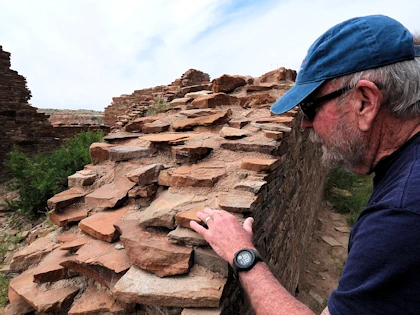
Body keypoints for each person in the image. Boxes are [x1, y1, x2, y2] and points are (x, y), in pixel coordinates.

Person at [190, 14, 420, 315]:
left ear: (365, 102)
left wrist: (241, 253)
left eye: (309, 107)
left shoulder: (400, 217)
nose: (305, 125)